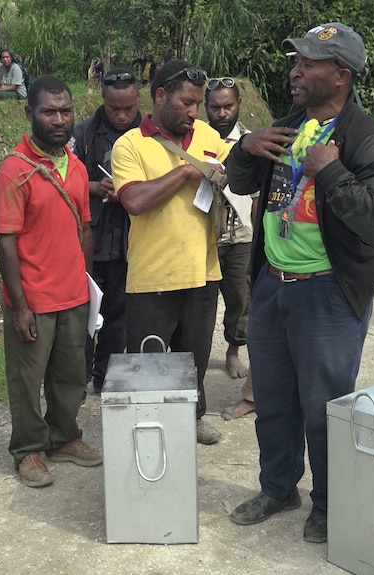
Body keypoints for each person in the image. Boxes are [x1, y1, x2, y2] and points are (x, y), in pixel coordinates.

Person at [225, 23, 374, 544]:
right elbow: (237, 182)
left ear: (341, 75)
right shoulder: (286, 124)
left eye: (308, 64)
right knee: (274, 399)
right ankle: (279, 487)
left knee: (325, 405)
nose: (295, 71)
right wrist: (245, 150)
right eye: (295, 61)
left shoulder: (366, 138)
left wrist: (332, 173)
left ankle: (327, 502)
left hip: (326, 293)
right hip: (274, 285)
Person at [111, 60, 229, 446]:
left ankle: (192, 417)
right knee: (152, 362)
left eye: (198, 104)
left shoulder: (209, 135)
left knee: (193, 357)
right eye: (187, 102)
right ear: (160, 96)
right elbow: (133, 200)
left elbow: (234, 172)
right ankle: (151, 427)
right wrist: (186, 172)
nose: (194, 112)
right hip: (152, 278)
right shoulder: (130, 144)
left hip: (203, 271)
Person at [0, 75, 102, 488]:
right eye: (49, 111)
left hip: (73, 294)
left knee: (71, 376)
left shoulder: (74, 165)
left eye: (65, 111)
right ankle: (28, 449)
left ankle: (64, 438)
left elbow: (85, 228)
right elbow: (7, 241)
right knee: (26, 381)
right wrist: (19, 304)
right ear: (30, 114)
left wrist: (86, 281)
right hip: (34, 298)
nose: (59, 120)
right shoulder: (14, 171)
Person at [70, 68, 141, 394]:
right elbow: (59, 178)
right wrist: (96, 186)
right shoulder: (82, 135)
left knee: (119, 319)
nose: (123, 115)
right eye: (115, 109)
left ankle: (106, 379)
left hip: (132, 242)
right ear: (103, 99)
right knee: (85, 316)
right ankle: (79, 378)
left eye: (129, 108)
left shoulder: (148, 134)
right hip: (90, 243)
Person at [202, 77, 258, 420]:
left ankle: (233, 351)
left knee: (240, 298)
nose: (222, 113)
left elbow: (256, 196)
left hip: (240, 236)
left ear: (239, 105)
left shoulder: (250, 142)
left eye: (228, 106)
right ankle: (196, 357)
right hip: (203, 235)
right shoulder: (195, 140)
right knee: (203, 301)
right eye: (215, 107)